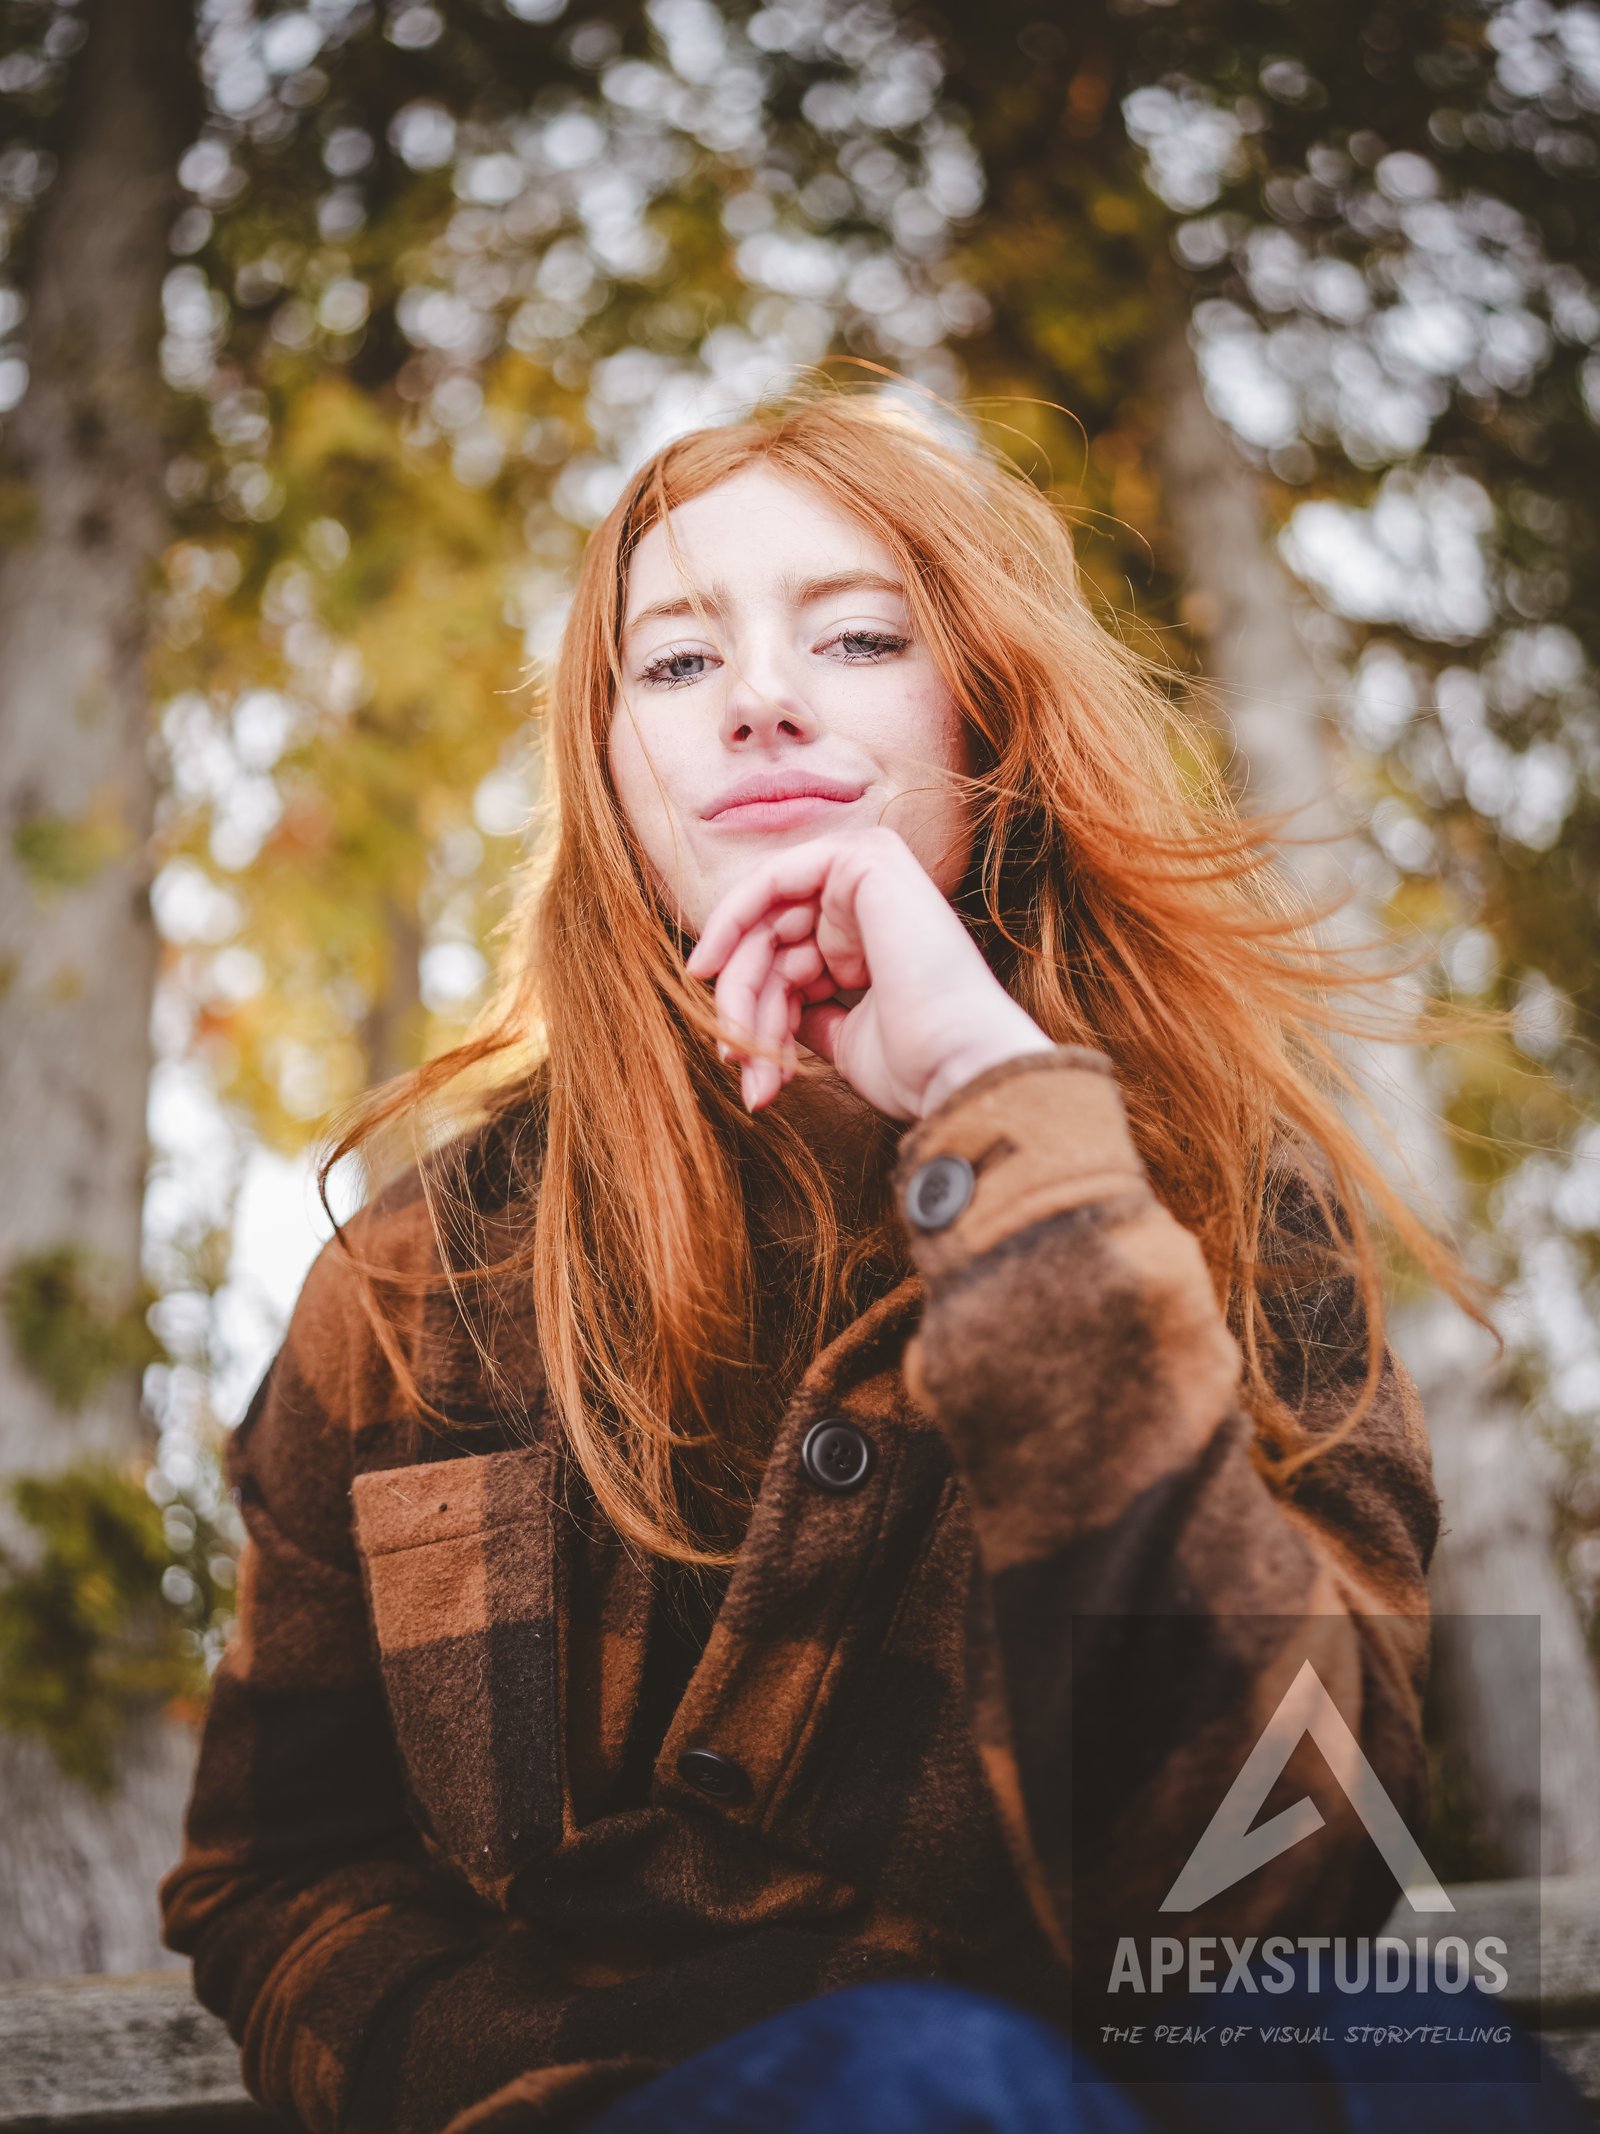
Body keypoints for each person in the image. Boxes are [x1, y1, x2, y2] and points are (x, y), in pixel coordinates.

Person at [158, 387, 1589, 2133]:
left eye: (855, 635)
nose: (761, 696)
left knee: (1417, 2052)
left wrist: (999, 1113)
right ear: (612, 771)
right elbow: (275, 1880)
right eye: (676, 664)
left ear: (988, 716)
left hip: (1152, 2076)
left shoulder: (1227, 1199)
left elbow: (1278, 1886)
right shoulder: (407, 1288)